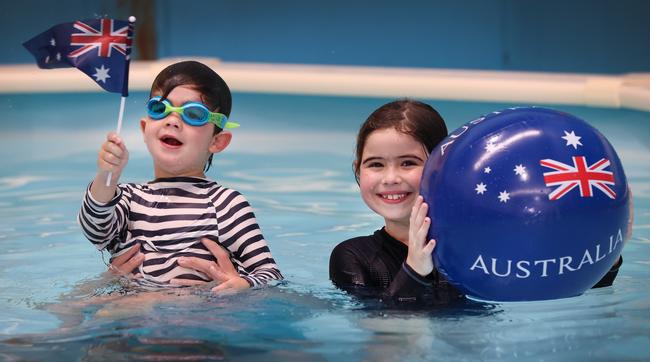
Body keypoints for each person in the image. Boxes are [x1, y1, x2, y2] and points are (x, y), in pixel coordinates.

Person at [329, 99, 623, 306]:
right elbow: (382, 335)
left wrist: (608, 248)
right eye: (375, 165)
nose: (390, 178)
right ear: (358, 170)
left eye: (408, 162)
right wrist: (415, 270)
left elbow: (567, 287)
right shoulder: (355, 258)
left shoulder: (484, 243)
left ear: (440, 166)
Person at [78, 60, 282, 293]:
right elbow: (95, 230)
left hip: (195, 319)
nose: (173, 120)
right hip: (129, 322)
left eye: (194, 114)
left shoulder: (225, 204)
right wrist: (107, 176)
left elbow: (271, 275)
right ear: (145, 129)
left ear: (217, 141)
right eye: (160, 108)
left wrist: (240, 284)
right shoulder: (129, 199)